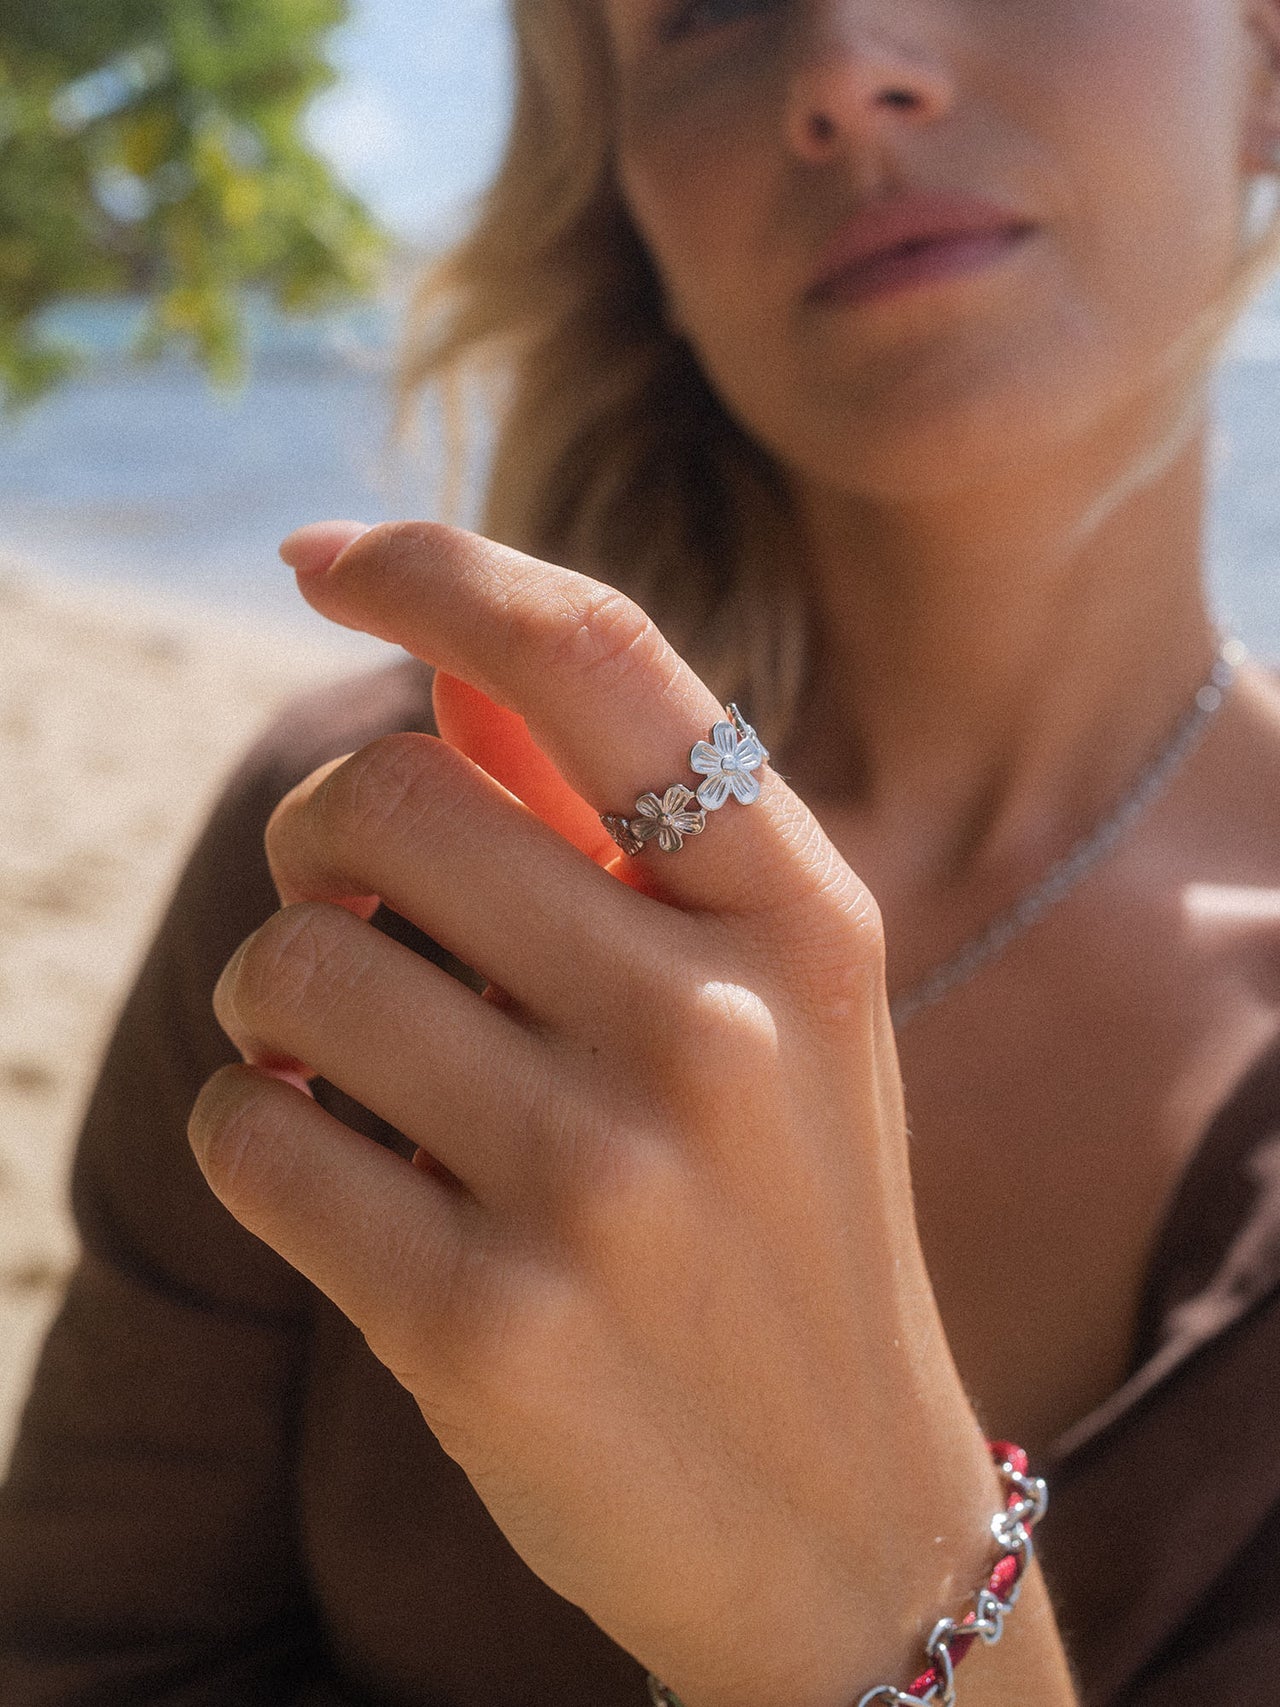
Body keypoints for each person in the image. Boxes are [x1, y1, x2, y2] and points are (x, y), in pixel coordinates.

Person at [3, 0, 1280, 1702]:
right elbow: (91, 1653)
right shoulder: (378, 837)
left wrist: (885, 1596)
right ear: (632, 208)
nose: (844, 69)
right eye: (705, 9)